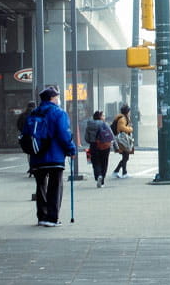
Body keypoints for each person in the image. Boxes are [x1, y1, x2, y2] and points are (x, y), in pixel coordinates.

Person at [27, 87, 77, 227]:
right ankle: (52, 218)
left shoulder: (34, 113)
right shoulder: (59, 112)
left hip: (37, 156)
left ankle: (42, 217)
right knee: (55, 186)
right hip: (54, 156)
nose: (58, 99)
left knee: (41, 186)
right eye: (57, 97)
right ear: (52, 98)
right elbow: (64, 134)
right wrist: (71, 150)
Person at [83, 110, 114, 187]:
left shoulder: (89, 125)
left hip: (94, 145)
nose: (104, 117)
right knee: (104, 163)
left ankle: (98, 175)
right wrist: (115, 146)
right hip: (105, 145)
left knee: (96, 162)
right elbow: (111, 136)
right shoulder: (104, 124)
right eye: (103, 116)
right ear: (100, 117)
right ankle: (102, 180)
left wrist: (92, 141)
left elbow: (86, 138)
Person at [111, 104, 133, 179]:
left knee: (125, 156)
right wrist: (130, 129)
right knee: (126, 156)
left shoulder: (123, 118)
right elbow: (122, 128)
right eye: (129, 111)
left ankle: (118, 171)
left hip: (123, 139)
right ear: (127, 112)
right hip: (122, 140)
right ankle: (122, 172)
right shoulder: (122, 119)